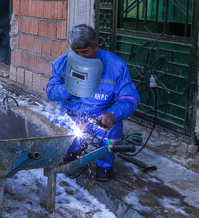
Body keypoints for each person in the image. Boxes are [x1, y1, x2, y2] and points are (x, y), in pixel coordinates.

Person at [46, 24, 140, 181]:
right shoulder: (61, 63)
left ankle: (104, 165)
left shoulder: (116, 66)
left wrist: (111, 114)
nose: (81, 57)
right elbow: (51, 92)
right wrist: (69, 87)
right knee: (56, 127)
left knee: (113, 130)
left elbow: (130, 99)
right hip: (73, 114)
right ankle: (73, 151)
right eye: (76, 53)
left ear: (96, 46)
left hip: (100, 116)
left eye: (85, 52)